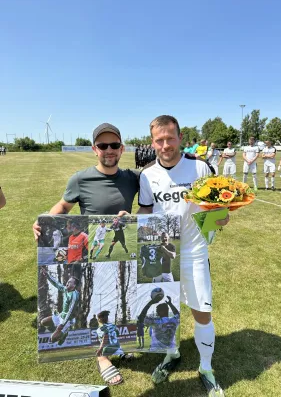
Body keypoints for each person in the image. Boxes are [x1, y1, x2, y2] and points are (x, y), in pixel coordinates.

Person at [33, 122, 140, 386]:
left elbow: (159, 180)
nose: (109, 150)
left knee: (117, 301)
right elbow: (63, 205)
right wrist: (43, 221)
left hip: (122, 256)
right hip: (90, 256)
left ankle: (116, 345)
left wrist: (189, 157)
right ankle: (102, 357)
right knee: (98, 304)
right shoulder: (80, 178)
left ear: (122, 148)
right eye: (103, 145)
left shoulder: (132, 178)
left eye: (114, 145)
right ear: (94, 149)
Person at [138, 115, 229, 396]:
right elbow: (145, 211)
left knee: (202, 312)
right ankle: (172, 354)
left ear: (180, 138)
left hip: (194, 252)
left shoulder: (200, 167)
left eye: (170, 138)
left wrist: (221, 217)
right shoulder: (147, 175)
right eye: (159, 140)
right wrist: (132, 225)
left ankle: (206, 368)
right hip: (162, 252)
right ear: (152, 142)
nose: (165, 145)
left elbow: (216, 207)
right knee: (165, 311)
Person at [40, 267, 80, 346]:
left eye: (70, 282)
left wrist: (62, 324)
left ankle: (64, 334)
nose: (67, 283)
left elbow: (70, 312)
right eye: (68, 281)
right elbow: (56, 284)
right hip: (61, 315)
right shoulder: (65, 289)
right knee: (43, 322)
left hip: (68, 320)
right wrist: (47, 275)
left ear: (74, 285)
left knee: (53, 339)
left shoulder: (74, 296)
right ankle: (60, 332)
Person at [96, 311, 124, 385]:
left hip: (110, 347)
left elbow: (106, 338)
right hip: (115, 346)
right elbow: (116, 334)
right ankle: (104, 358)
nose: (105, 318)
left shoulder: (102, 329)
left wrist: (100, 348)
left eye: (105, 316)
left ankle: (103, 357)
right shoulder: (111, 326)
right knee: (114, 347)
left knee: (105, 349)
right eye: (103, 316)